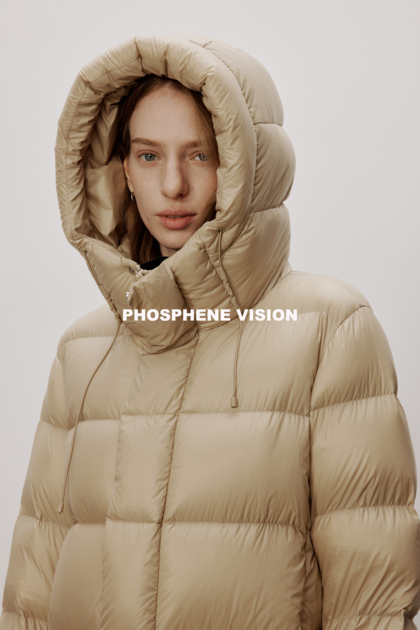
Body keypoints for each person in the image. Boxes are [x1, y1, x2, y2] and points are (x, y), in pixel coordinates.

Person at [0, 33, 419, 630]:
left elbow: (371, 599)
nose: (173, 185)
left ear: (247, 165)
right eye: (149, 156)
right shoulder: (82, 352)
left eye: (200, 155)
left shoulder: (330, 329)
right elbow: (31, 595)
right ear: (123, 171)